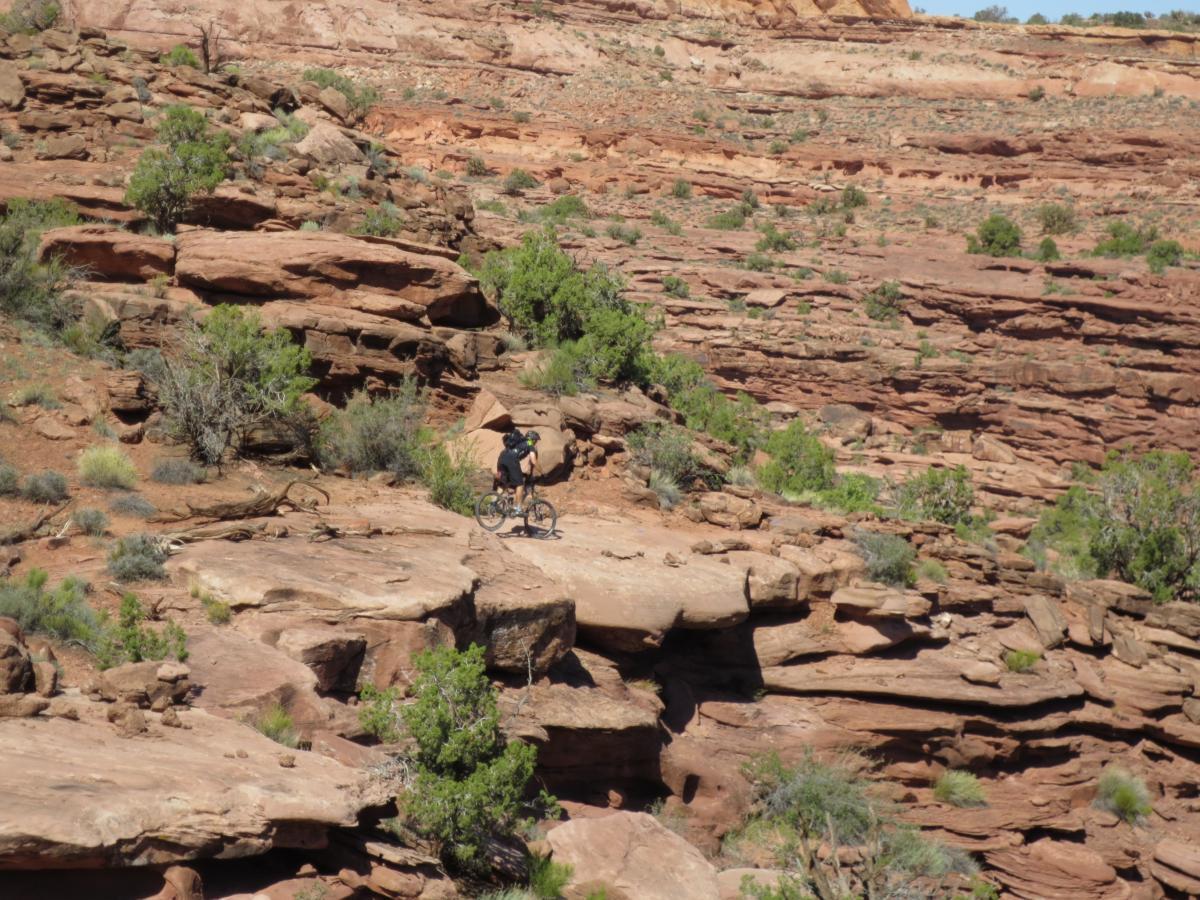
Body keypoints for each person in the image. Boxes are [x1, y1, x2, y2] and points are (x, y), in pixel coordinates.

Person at [495, 430, 541, 513]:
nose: (536, 443)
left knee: (503, 484)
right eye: (536, 440)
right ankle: (518, 508)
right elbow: (533, 460)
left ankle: (493, 504)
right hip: (512, 460)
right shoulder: (530, 443)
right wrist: (542, 471)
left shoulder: (517, 443)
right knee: (520, 484)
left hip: (502, 457)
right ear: (533, 439)